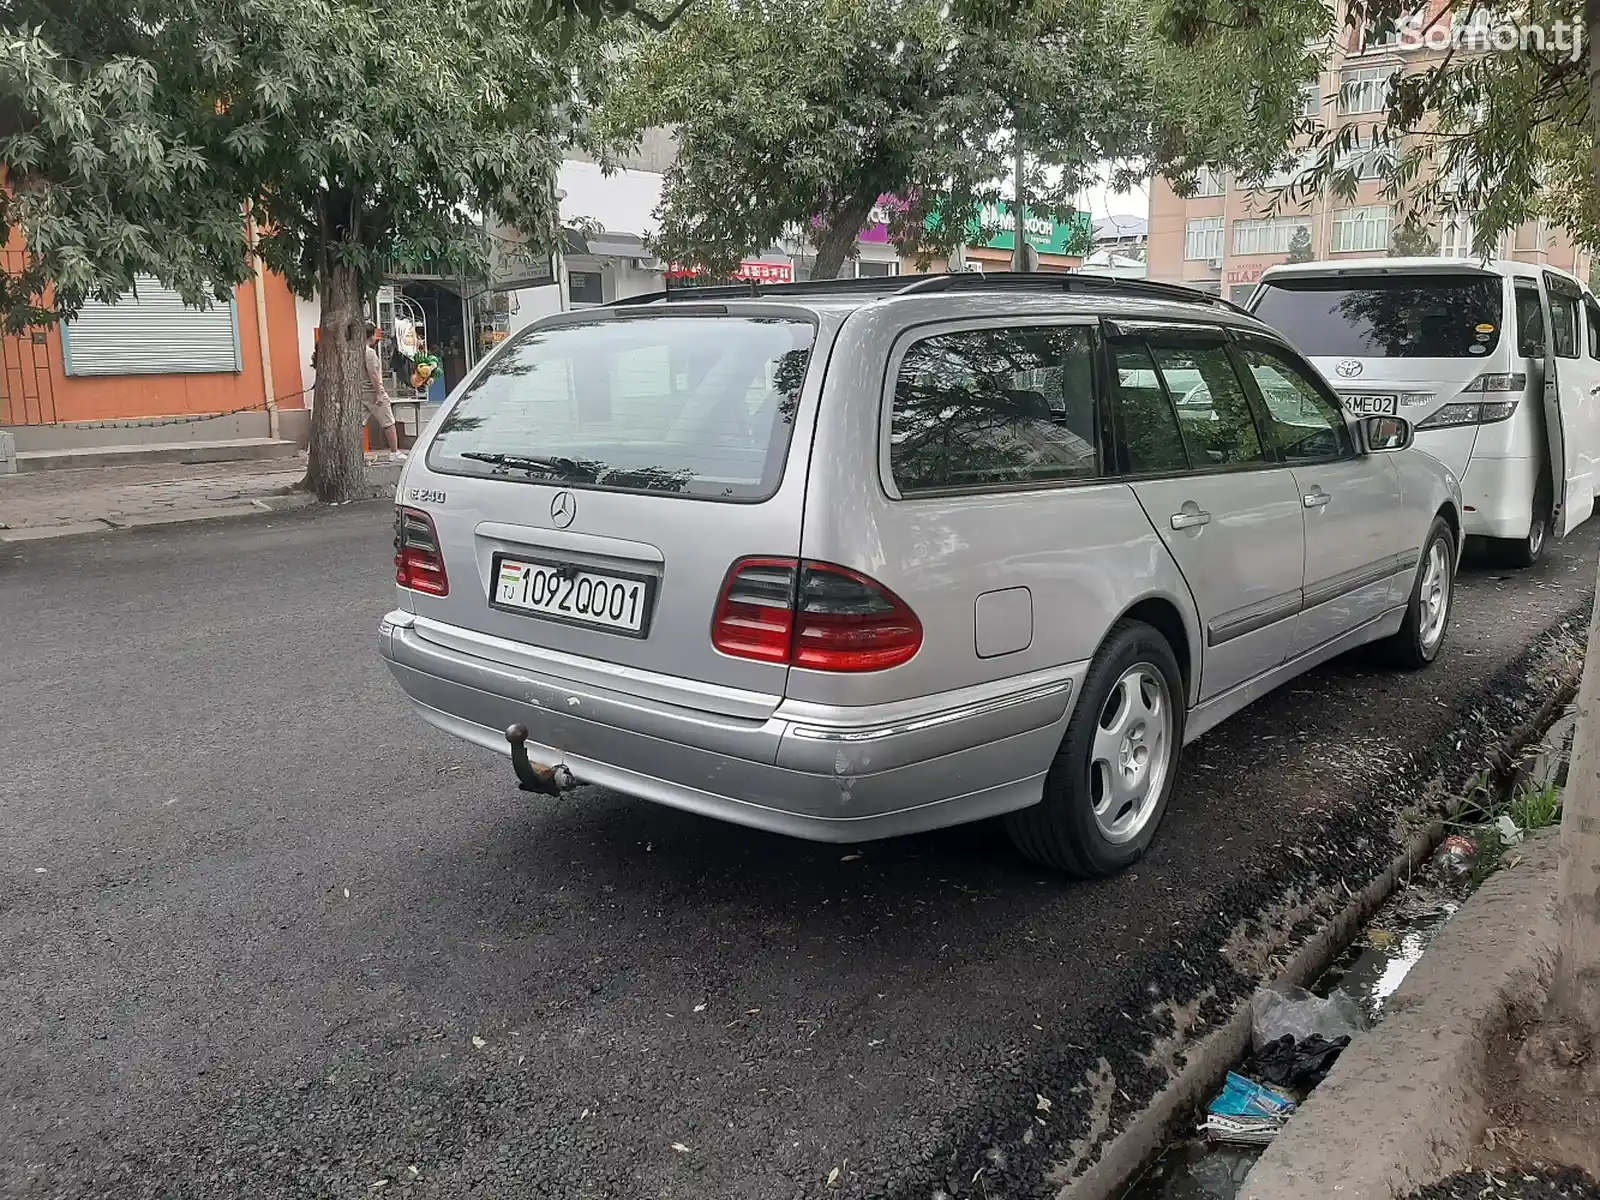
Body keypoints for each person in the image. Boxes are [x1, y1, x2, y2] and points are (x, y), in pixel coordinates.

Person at [308, 321, 405, 462]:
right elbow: (373, 374)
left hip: (358, 393)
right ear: (370, 336)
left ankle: (355, 454)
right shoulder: (369, 353)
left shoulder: (352, 352)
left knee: (358, 424)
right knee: (388, 422)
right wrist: (379, 393)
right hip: (373, 392)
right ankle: (394, 452)